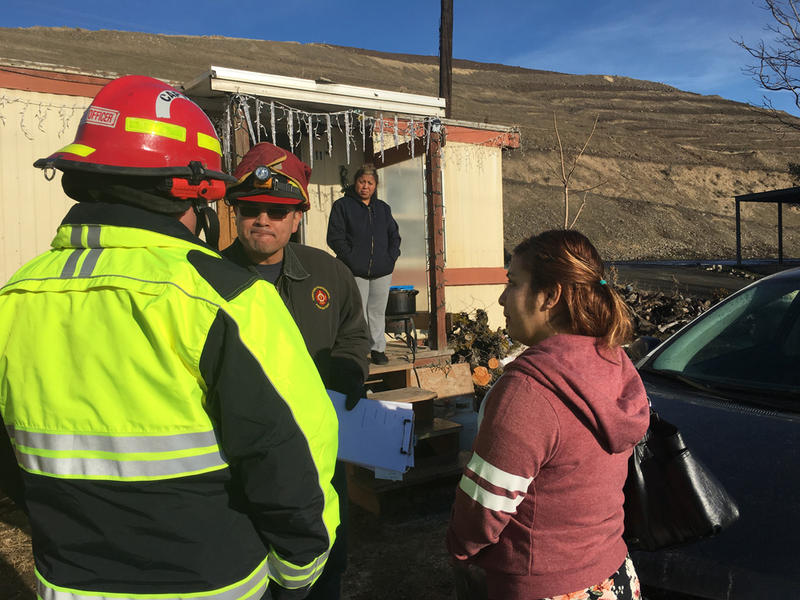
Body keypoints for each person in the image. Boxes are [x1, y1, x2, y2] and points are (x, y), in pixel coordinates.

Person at [0, 75, 339, 600]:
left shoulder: (13, 299)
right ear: (197, 191)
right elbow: (290, 456)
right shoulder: (226, 298)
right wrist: (298, 575)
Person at [446, 229, 650, 600]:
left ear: (551, 296)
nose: (503, 297)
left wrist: (459, 549)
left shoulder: (530, 391)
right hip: (613, 577)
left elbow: (482, 512)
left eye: (513, 283)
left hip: (543, 585)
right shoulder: (612, 361)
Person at [222, 142, 370, 600]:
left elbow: (354, 331)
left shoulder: (330, 273)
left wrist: (349, 371)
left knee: (324, 569)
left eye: (277, 210)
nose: (263, 219)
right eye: (252, 208)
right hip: (241, 461)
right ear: (235, 211)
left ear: (297, 218)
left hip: (319, 455)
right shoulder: (206, 278)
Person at [327, 164, 401, 365]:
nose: (365, 186)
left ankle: (377, 349)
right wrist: (350, 259)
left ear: (375, 186)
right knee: (357, 312)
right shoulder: (342, 206)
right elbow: (335, 237)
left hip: (382, 271)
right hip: (355, 270)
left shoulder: (383, 209)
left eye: (370, 183)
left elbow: (394, 236)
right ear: (355, 182)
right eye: (362, 182)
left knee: (377, 312)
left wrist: (390, 258)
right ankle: (358, 350)